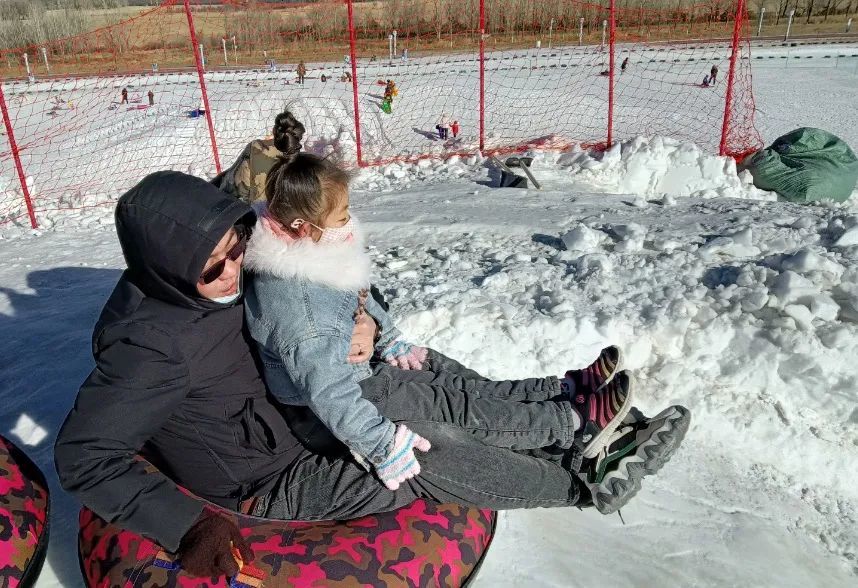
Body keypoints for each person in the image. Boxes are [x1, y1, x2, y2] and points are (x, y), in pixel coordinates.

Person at [55, 171, 689, 581]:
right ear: (170, 270)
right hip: (269, 475)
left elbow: (318, 279)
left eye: (235, 245)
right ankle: (580, 483)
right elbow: (85, 455)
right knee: (416, 447)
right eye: (211, 266)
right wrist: (185, 525)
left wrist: (367, 323)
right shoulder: (149, 347)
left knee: (418, 367)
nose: (233, 268)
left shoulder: (240, 258)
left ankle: (567, 416)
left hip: (304, 412)